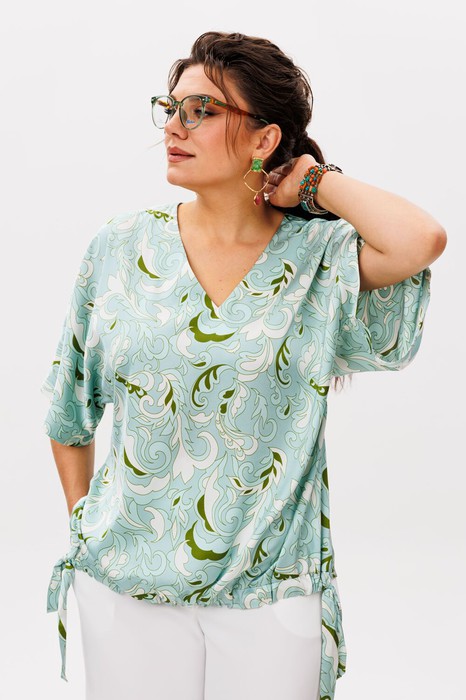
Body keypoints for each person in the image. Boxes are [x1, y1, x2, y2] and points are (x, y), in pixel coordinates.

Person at [41, 30, 446, 700]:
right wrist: (85, 523)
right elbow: (68, 410)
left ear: (264, 139)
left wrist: (314, 182)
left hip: (272, 589)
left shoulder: (318, 258)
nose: (174, 126)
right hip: (124, 585)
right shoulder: (119, 248)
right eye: (170, 108)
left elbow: (420, 239)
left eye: (201, 110)